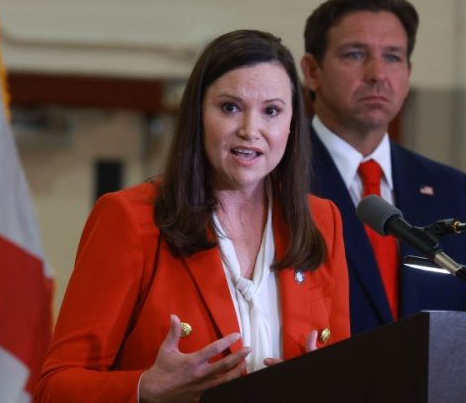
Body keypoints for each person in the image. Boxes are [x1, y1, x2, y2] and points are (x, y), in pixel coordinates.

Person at [36, 30, 350, 402]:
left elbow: (346, 371)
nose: (251, 130)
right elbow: (54, 388)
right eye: (230, 107)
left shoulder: (321, 220)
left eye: (271, 111)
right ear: (198, 114)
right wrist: (144, 389)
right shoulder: (129, 219)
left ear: (292, 123)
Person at [300, 0, 466, 335]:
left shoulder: (452, 189)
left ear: (408, 74)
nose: (377, 74)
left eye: (393, 57)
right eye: (354, 54)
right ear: (312, 71)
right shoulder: (277, 177)